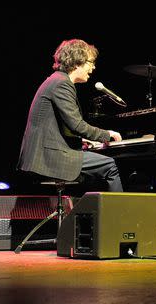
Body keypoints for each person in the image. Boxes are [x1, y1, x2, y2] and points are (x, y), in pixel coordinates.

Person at [18, 39, 123, 192]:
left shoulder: (56, 80)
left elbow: (60, 127)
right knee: (110, 166)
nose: (93, 68)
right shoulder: (62, 83)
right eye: (90, 62)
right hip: (48, 156)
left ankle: (89, 213)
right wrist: (106, 134)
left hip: (43, 153)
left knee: (95, 173)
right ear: (77, 61)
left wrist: (83, 140)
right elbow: (77, 125)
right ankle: (121, 215)